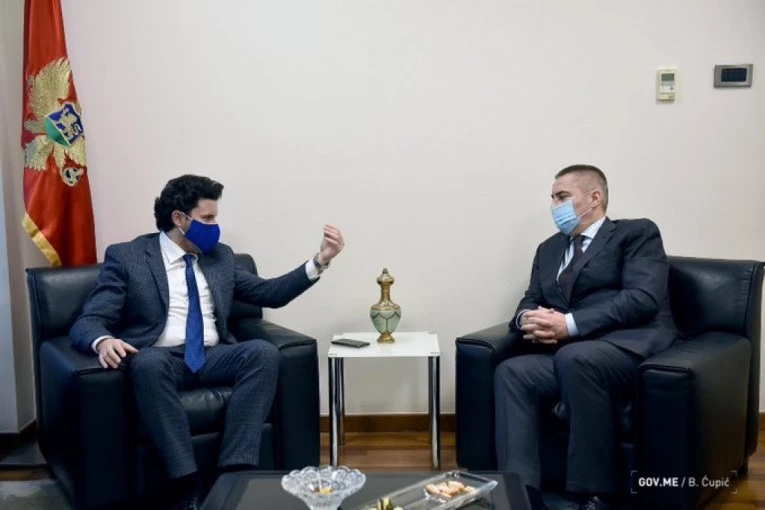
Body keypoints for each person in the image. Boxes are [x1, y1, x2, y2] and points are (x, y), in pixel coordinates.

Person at [70, 174, 345, 509]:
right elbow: (90, 319)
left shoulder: (220, 257)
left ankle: (235, 473)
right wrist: (102, 341)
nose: (216, 226)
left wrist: (319, 261)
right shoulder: (129, 257)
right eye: (208, 218)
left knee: (262, 352)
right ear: (179, 218)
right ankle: (187, 483)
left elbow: (269, 293)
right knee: (148, 361)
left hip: (214, 356)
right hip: (160, 359)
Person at [493, 165, 677, 510]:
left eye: (562, 197)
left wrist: (569, 324)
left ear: (594, 197)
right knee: (512, 371)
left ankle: (593, 494)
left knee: (574, 358)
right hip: (572, 355)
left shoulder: (636, 233)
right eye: (552, 198)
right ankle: (520, 493)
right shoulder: (548, 249)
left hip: (628, 347)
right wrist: (528, 320)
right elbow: (531, 298)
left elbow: (642, 298)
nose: (554, 206)